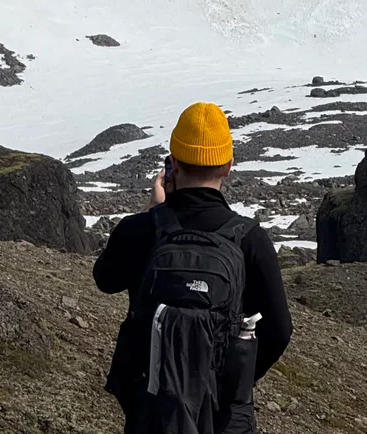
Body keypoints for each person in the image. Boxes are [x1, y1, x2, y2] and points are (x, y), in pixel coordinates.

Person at [94, 101, 293, 434]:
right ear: (228, 165)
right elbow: (279, 330)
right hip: (225, 417)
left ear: (172, 164)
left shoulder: (139, 230)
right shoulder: (250, 239)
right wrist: (231, 380)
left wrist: (152, 212)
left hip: (153, 411)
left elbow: (105, 279)